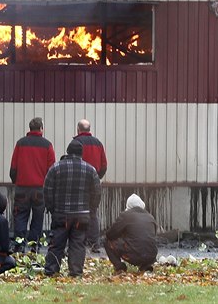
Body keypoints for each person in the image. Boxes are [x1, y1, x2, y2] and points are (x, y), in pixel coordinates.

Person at [43, 140, 101, 277]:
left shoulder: (55, 168)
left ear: (67, 151)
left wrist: (52, 208)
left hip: (61, 214)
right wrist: (91, 209)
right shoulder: (90, 170)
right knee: (78, 244)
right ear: (82, 153)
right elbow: (97, 192)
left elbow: (47, 190)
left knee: (56, 243)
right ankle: (76, 272)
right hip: (82, 215)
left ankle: (51, 271)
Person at [9, 117, 56, 253]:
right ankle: (34, 245)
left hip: (22, 188)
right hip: (39, 189)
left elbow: (13, 167)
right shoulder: (47, 145)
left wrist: (16, 181)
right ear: (41, 128)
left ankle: (19, 245)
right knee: (37, 218)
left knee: (20, 216)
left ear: (29, 128)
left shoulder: (20, 143)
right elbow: (51, 169)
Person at [73, 119, 107, 253]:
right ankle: (94, 244)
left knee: (77, 212)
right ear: (89, 129)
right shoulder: (98, 143)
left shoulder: (76, 143)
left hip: (79, 184)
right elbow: (104, 165)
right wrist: (97, 177)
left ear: (78, 129)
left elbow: (73, 163)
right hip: (94, 184)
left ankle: (79, 242)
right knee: (92, 213)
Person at [104, 193, 158, 273]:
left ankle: (120, 267)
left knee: (107, 241)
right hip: (151, 255)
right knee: (146, 244)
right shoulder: (150, 217)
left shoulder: (125, 216)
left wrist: (122, 235)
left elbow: (110, 234)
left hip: (133, 255)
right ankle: (146, 266)